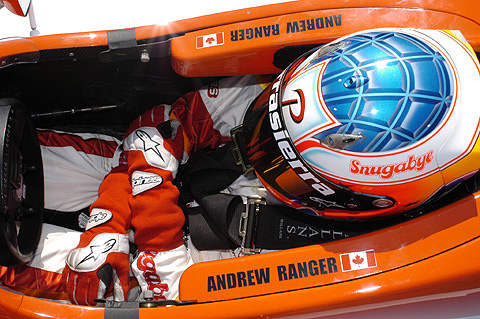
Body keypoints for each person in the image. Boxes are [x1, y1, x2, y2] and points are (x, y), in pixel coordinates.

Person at [1, 28, 479, 305]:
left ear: (364, 199)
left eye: (285, 166)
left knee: (79, 285)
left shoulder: (363, 264)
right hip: (127, 195)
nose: (260, 151)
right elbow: (165, 122)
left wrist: (141, 190)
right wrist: (115, 220)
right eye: (263, 132)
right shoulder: (301, 99)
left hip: (147, 268)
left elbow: (167, 292)